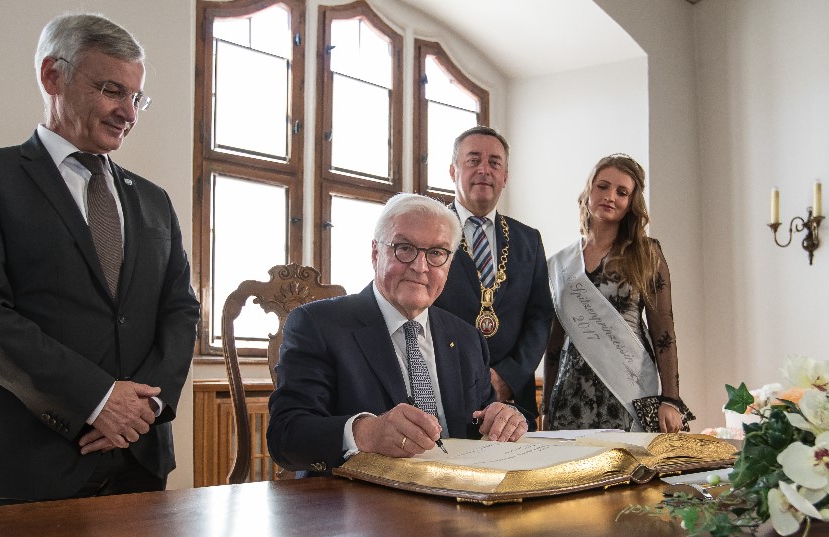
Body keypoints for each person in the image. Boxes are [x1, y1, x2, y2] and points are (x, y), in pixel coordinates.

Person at [0, 13, 201, 508]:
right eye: (111, 90)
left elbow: (181, 309)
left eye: (136, 97)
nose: (129, 113)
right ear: (53, 76)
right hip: (26, 465)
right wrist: (98, 400)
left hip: (138, 460)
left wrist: (147, 406)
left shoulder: (154, 201)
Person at [267, 193, 528, 473]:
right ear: (376, 253)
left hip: (458, 500)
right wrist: (366, 433)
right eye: (404, 248)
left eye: (436, 253)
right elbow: (286, 436)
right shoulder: (318, 325)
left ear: (448, 264)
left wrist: (502, 419)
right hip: (356, 505)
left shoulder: (467, 338)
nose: (420, 266)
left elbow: (479, 422)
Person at [542, 154, 685, 433]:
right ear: (589, 191)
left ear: (631, 203)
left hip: (628, 391)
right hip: (571, 392)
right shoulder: (561, 263)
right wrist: (546, 404)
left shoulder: (647, 254)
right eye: (603, 186)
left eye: (622, 192)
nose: (610, 196)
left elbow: (663, 330)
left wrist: (671, 398)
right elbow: (554, 340)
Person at [433, 126, 553, 428]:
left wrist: (507, 377)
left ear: (505, 177)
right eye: (473, 160)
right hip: (443, 393)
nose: (484, 170)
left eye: (494, 163)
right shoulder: (431, 234)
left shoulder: (529, 240)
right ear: (453, 170)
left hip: (513, 399)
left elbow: (540, 318)